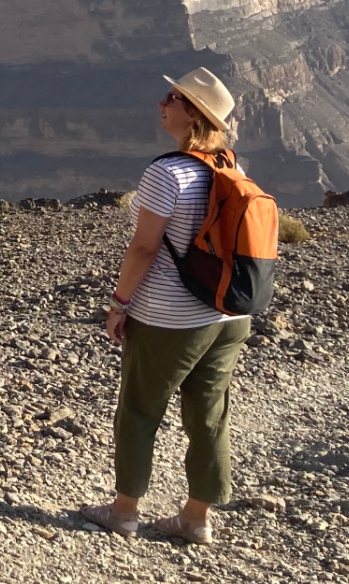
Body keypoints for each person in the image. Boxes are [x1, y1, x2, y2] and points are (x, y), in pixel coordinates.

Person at [80, 68, 251, 544]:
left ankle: (124, 512)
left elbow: (143, 248)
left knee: (139, 410)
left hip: (171, 319)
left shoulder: (166, 172)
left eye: (172, 97)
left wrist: (119, 303)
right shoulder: (233, 168)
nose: (161, 102)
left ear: (193, 114)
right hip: (229, 314)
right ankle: (196, 519)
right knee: (210, 415)